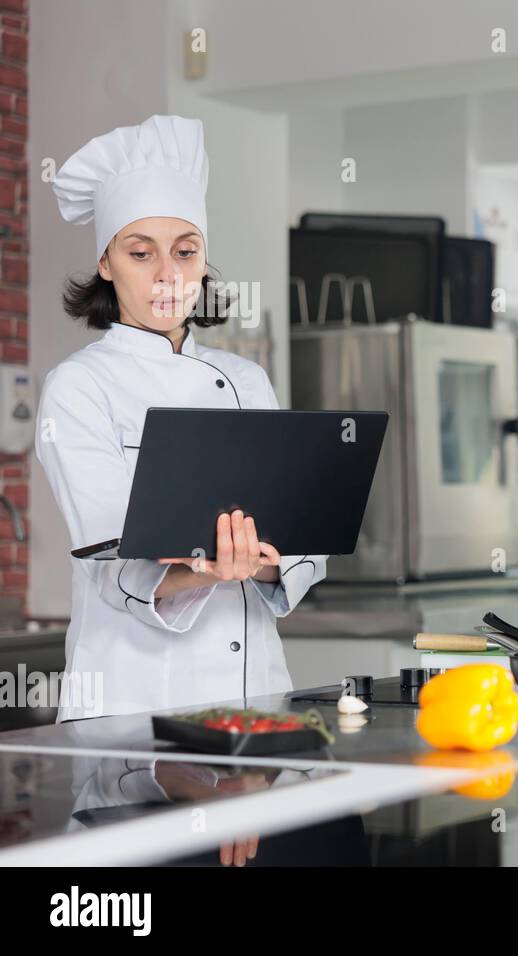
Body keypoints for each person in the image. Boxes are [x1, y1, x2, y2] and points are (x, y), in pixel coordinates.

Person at [38, 115, 327, 721]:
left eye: (185, 252)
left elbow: (301, 536)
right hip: (134, 705)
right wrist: (211, 571)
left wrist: (266, 562)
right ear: (107, 264)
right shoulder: (79, 386)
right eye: (141, 253)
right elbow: (113, 568)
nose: (168, 275)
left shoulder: (247, 380)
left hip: (256, 698)